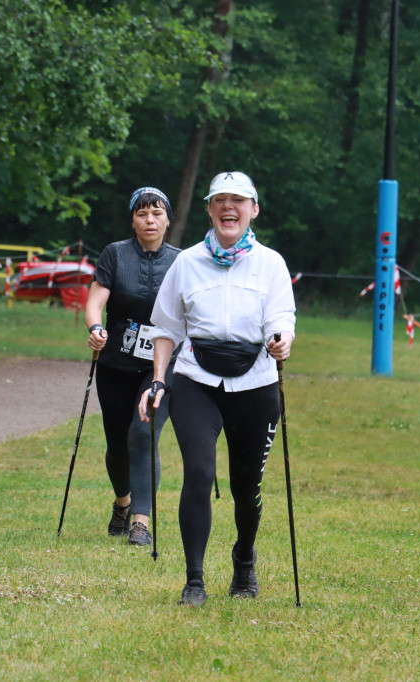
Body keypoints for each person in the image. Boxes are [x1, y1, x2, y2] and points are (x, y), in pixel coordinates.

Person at [138, 171, 295, 606]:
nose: (229, 207)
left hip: (256, 382)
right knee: (200, 474)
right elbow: (166, 330)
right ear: (210, 209)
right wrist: (156, 381)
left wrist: (281, 338)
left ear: (253, 210)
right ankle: (194, 581)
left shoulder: (272, 264)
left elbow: (282, 317)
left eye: (238, 201)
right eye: (220, 200)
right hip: (195, 381)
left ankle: (244, 560)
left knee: (246, 487)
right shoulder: (186, 263)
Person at [85, 187, 180, 546]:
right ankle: (122, 503)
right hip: (116, 363)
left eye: (157, 213)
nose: (150, 220)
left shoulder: (181, 261)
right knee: (117, 444)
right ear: (133, 220)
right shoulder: (115, 254)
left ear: (167, 219)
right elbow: (96, 301)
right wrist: (96, 328)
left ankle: (141, 520)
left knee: (143, 432)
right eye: (142, 214)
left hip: (162, 365)